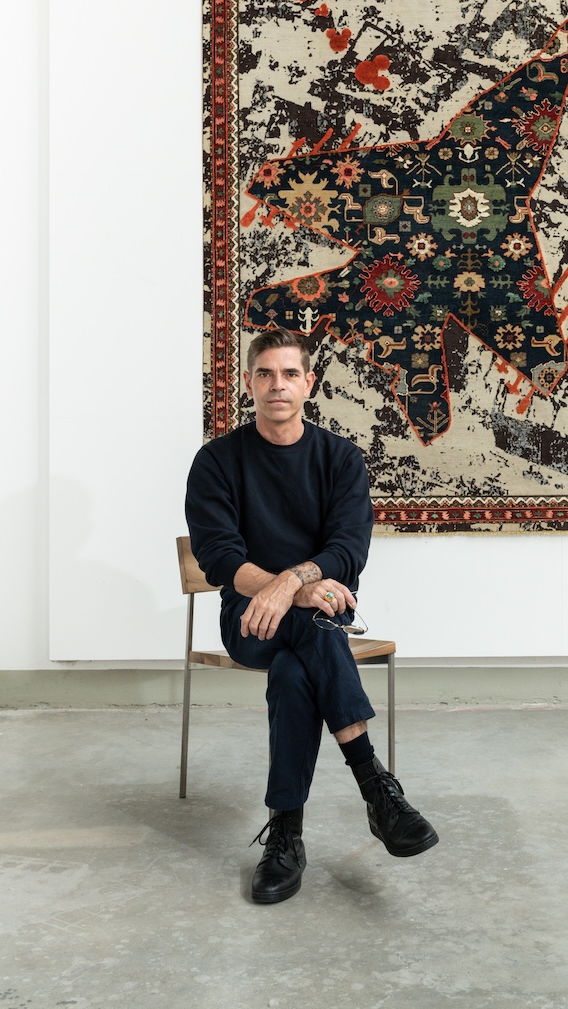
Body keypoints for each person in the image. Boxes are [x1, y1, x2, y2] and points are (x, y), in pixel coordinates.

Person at [185, 327, 438, 904]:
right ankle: (376, 789)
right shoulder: (217, 461)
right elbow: (219, 555)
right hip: (248, 620)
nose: (278, 385)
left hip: (318, 611)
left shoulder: (340, 458)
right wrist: (286, 592)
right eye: (266, 374)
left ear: (309, 383)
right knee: (313, 629)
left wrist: (291, 585)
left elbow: (349, 548)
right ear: (249, 383)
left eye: (289, 374)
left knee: (294, 671)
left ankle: (286, 835)